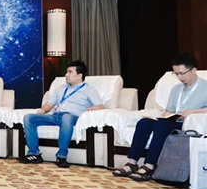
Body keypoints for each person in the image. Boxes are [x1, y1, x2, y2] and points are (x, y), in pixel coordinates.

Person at [113, 53, 207, 181]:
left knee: (162, 125)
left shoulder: (205, 87)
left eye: (182, 73)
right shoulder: (176, 89)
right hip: (174, 120)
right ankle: (132, 162)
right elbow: (171, 109)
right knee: (144, 122)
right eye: (176, 74)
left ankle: (150, 165)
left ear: (194, 70)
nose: (179, 77)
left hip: (191, 123)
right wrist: (166, 114)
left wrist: (193, 112)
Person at [19, 60, 104, 168]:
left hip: (72, 117)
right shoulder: (61, 88)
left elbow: (101, 106)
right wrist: (43, 109)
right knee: (28, 118)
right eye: (66, 72)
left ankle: (61, 156)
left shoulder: (89, 90)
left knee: (66, 117)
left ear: (79, 75)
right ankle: (34, 154)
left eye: (70, 72)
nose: (66, 75)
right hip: (56, 116)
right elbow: (49, 104)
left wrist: (94, 108)